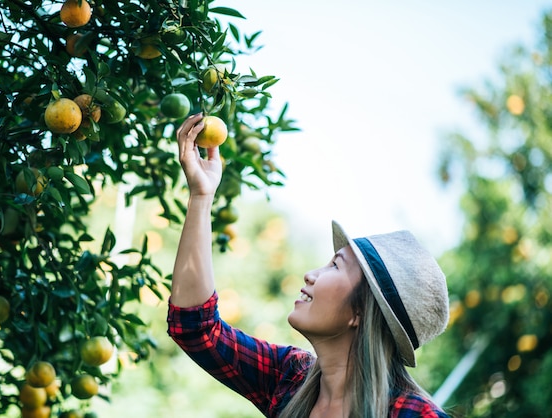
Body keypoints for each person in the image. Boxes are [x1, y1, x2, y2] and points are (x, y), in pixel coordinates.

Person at [167, 113, 451, 418]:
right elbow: (196, 329)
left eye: (335, 266)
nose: (311, 274)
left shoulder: (412, 414)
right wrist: (201, 195)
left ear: (361, 311)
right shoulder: (290, 378)